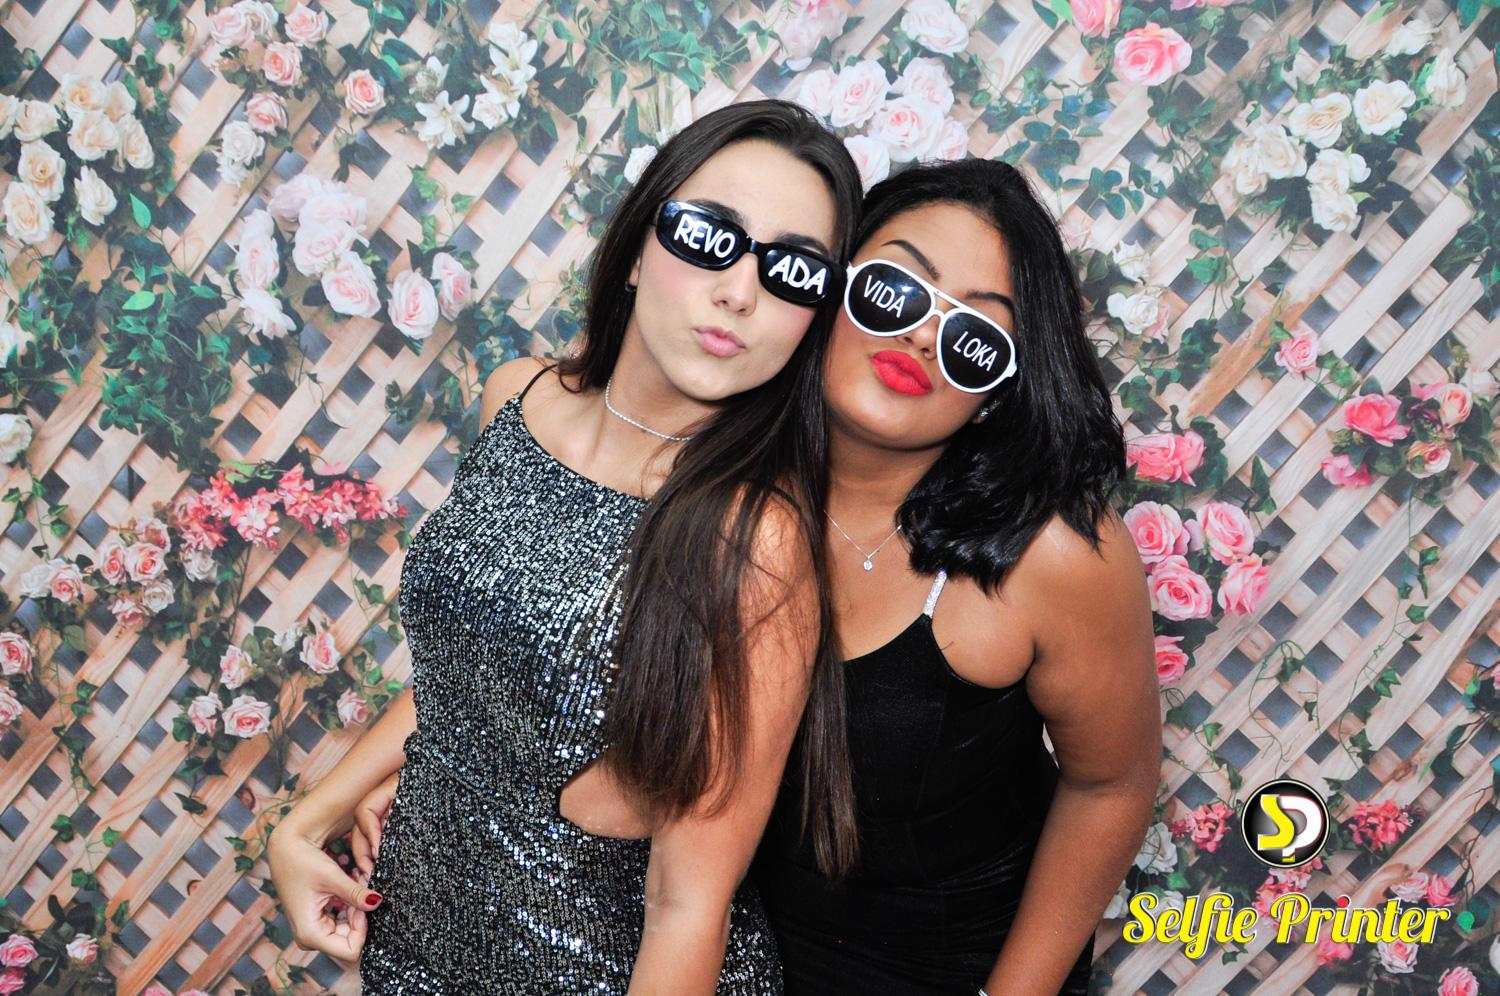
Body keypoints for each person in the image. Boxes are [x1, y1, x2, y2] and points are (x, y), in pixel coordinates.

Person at [265, 98, 864, 992]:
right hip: (413, 939)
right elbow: (471, 675)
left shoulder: (755, 541)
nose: (741, 292)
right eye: (710, 237)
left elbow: (689, 904)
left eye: (793, 272)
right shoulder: (517, 397)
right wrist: (306, 820)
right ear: (637, 250)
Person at [750, 158, 1161, 994]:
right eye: (895, 292)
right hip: (732, 951)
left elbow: (1111, 783)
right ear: (828, 291)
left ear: (999, 389)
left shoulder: (1053, 554)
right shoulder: (718, 485)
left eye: (975, 338)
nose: (921, 337)